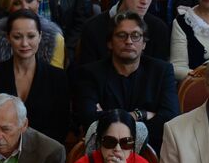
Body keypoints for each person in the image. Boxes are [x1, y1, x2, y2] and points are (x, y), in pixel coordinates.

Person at [75, 11, 179, 149]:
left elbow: (169, 118)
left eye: (136, 36)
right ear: (110, 43)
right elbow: (89, 118)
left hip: (152, 149)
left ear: (144, 44)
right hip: (105, 150)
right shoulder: (91, 73)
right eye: (121, 35)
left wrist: (106, 116)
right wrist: (141, 114)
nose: (129, 41)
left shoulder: (162, 71)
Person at [0, 12, 73, 144]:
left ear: (40, 37)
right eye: (17, 37)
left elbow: (61, 125)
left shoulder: (57, 78)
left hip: (44, 154)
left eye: (31, 36)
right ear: (8, 38)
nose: (24, 43)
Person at [77, 0, 170, 65]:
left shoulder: (159, 29)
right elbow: (86, 74)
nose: (144, 1)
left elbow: (160, 74)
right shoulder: (93, 27)